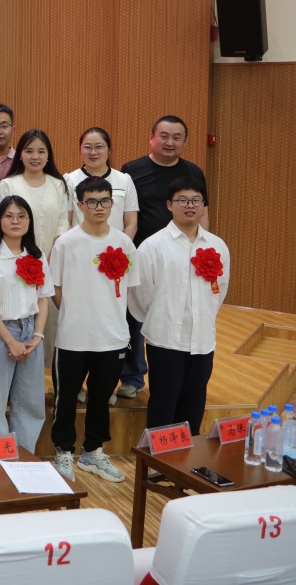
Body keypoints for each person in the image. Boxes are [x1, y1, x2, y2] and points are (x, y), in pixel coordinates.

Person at [47, 176, 139, 483]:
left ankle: (93, 452)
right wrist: (74, 313)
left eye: (105, 201)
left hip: (112, 337)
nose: (99, 207)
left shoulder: (124, 243)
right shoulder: (66, 243)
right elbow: (55, 287)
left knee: (101, 399)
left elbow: (130, 288)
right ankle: (63, 451)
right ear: (80, 205)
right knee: (66, 398)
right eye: (92, 201)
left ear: (112, 204)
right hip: (73, 337)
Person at [118, 116, 208, 400]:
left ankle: (177, 371)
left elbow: (202, 212)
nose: (170, 142)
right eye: (164, 136)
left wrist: (204, 248)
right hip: (141, 256)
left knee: (177, 313)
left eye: (177, 137)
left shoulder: (193, 172)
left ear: (184, 141)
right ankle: (132, 376)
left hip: (182, 257)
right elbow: (126, 213)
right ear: (152, 137)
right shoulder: (131, 171)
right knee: (134, 315)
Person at [130, 178, 229, 434]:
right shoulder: (152, 246)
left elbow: (219, 291)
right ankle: (159, 457)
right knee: (163, 404)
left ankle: (188, 457)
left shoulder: (217, 246)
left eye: (196, 200)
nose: (190, 206)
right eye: (182, 200)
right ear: (169, 205)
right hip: (165, 339)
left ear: (204, 205)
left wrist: (203, 318)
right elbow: (140, 295)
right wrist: (160, 317)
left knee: (194, 404)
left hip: (202, 340)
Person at [0, 196, 51, 451]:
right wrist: (10, 341)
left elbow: (43, 299)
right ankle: (0, 460)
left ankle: (24, 457)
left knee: (31, 402)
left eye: (21, 216)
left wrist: (38, 336)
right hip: (0, 331)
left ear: (29, 221)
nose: (15, 221)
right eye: (8, 216)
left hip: (31, 332)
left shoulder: (37, 255)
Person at [0, 129, 71, 364]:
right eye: (29, 151)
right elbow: (2, 224)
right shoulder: (8, 184)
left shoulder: (58, 185)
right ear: (20, 154)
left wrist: (49, 258)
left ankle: (43, 374)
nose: (35, 156)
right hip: (14, 265)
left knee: (48, 325)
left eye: (41, 151)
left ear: (49, 155)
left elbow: (63, 224)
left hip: (51, 263)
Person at [64, 127, 138, 238]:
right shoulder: (69, 180)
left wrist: (121, 246)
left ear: (109, 150)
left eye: (99, 147)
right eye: (87, 147)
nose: (93, 152)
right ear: (80, 150)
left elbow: (131, 223)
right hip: (79, 245)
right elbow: (66, 222)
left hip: (114, 246)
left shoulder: (124, 180)